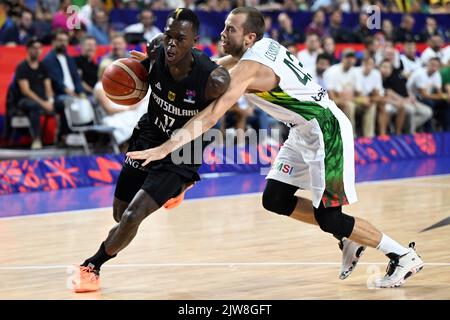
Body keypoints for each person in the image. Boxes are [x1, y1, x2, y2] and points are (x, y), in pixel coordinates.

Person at [129, 7, 424, 288]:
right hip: (302, 131)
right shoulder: (259, 47)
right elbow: (213, 68)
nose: (222, 33)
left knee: (330, 216)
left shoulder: (251, 68)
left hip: (325, 128)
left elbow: (211, 115)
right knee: (275, 198)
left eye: (229, 29)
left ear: (249, 38)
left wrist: (166, 147)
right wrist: (167, 65)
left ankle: (401, 255)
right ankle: (349, 237)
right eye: (223, 27)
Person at [72, 8, 230, 293]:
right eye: (169, 36)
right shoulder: (156, 49)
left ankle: (91, 266)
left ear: (194, 41)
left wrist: (192, 162)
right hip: (149, 135)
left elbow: (214, 123)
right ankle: (174, 189)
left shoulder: (213, 80)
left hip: (182, 151)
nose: (171, 43)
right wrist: (132, 76)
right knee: (120, 216)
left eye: (180, 39)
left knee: (133, 216)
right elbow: (141, 76)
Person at [14, 37, 54, 149]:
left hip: (42, 99)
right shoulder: (22, 67)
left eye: (39, 48)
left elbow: (48, 87)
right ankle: (36, 139)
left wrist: (50, 101)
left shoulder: (43, 67)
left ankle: (63, 137)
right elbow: (25, 91)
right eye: (34, 48)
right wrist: (43, 103)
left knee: (61, 103)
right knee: (34, 106)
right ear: (28, 50)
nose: (37, 50)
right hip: (24, 101)